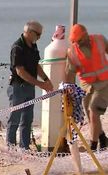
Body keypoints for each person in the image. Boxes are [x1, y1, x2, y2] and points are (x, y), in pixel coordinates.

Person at [7, 21, 53, 150]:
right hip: (17, 87)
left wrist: (46, 79)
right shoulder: (17, 47)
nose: (39, 38)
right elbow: (20, 71)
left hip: (29, 87)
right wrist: (40, 84)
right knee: (14, 119)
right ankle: (10, 148)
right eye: (38, 34)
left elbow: (36, 65)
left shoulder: (33, 46)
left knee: (27, 120)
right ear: (30, 32)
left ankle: (24, 148)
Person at [64, 24, 108, 151]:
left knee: (93, 111)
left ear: (86, 35)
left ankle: (93, 146)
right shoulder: (72, 52)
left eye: (79, 40)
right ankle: (103, 139)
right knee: (90, 115)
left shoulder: (100, 40)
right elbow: (70, 74)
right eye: (74, 41)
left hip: (105, 83)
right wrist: (68, 90)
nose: (77, 44)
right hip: (87, 86)